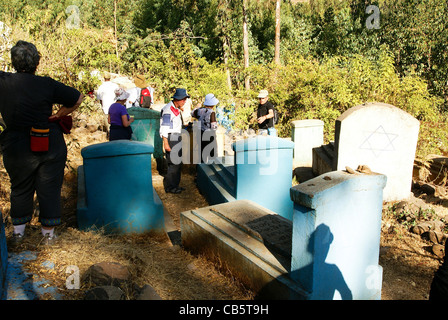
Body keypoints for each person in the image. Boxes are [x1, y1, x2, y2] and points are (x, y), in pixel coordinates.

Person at [0, 40, 84, 245]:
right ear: (37, 62)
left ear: (13, 61)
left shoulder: (3, 81)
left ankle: (18, 235)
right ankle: (48, 237)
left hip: (16, 144)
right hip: (48, 141)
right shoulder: (47, 84)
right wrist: (58, 115)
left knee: (20, 187)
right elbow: (78, 98)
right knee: (49, 188)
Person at [160, 88, 189, 194]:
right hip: (171, 138)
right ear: (178, 99)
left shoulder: (175, 108)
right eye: (184, 99)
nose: (185, 102)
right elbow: (164, 127)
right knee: (173, 163)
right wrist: (166, 142)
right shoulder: (168, 110)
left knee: (177, 163)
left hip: (176, 136)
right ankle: (170, 187)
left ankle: (175, 185)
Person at [191, 93, 219, 163]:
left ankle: (200, 172)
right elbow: (213, 127)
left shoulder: (200, 111)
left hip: (200, 134)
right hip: (209, 136)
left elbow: (192, 113)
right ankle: (211, 172)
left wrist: (198, 107)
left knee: (201, 155)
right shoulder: (212, 112)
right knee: (212, 156)